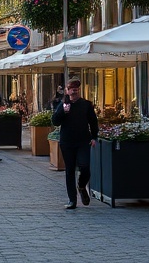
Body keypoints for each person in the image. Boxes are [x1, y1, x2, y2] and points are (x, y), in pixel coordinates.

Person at [52, 79, 98, 209]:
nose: (74, 90)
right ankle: (72, 200)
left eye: (76, 88)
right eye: (71, 88)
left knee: (85, 166)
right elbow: (55, 121)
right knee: (70, 170)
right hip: (67, 142)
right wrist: (63, 111)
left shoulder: (86, 105)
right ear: (67, 91)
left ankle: (82, 185)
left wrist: (94, 137)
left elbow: (93, 122)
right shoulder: (63, 105)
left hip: (83, 140)